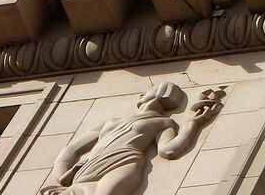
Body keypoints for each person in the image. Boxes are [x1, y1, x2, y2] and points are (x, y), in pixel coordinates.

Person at [43, 82, 223, 195]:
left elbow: (168, 150)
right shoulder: (111, 122)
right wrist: (62, 177)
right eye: (156, 91)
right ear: (140, 98)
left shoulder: (163, 122)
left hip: (124, 163)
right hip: (87, 170)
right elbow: (71, 150)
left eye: (165, 97)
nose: (161, 94)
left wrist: (193, 124)